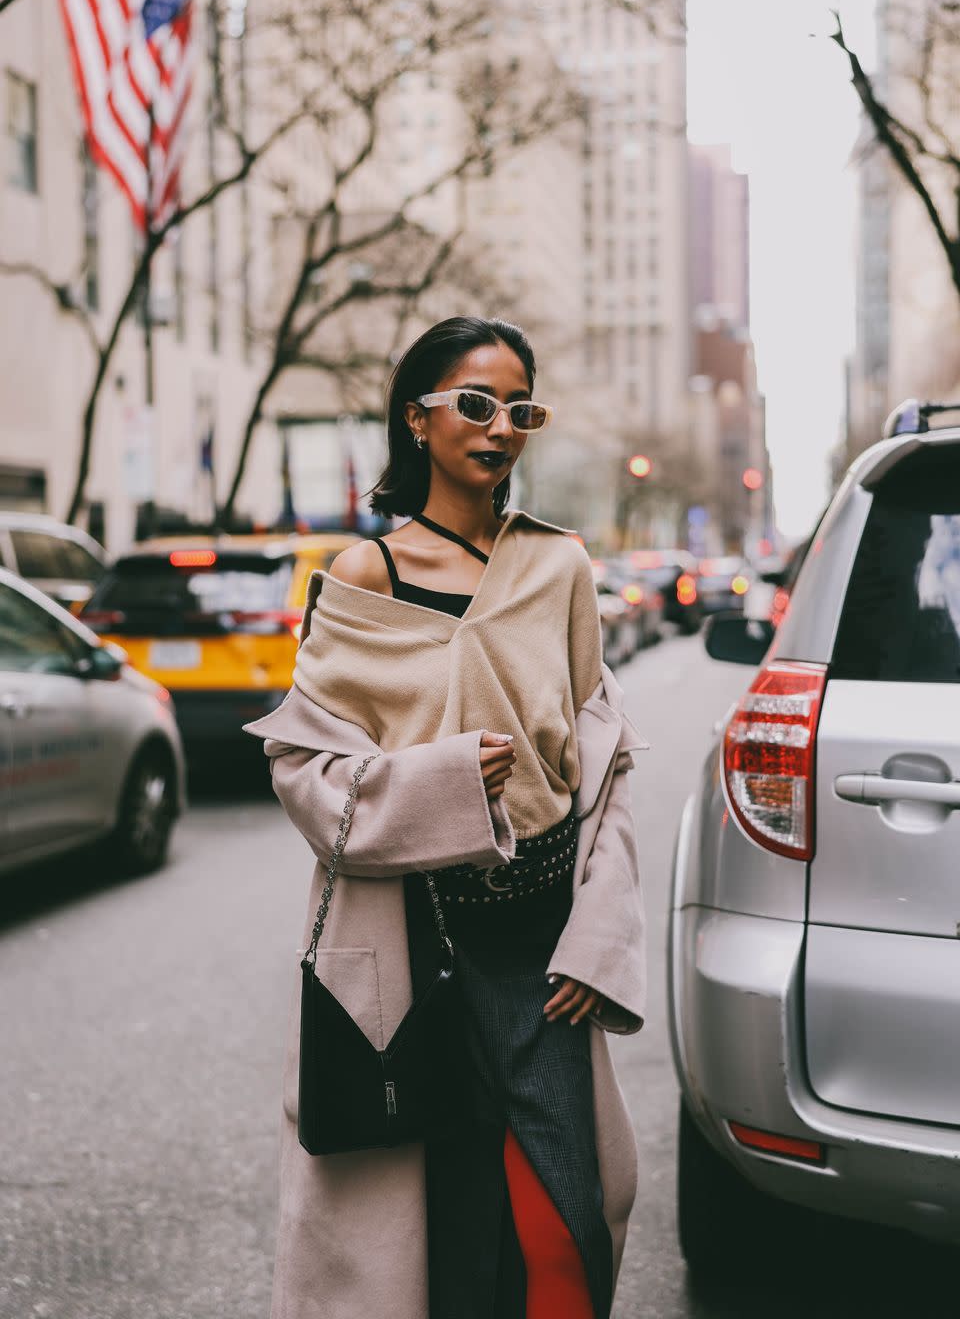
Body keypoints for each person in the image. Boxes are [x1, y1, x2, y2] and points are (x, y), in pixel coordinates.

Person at [244, 316, 647, 1319]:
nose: (499, 426)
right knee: (439, 1231)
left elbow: (606, 755)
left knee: (564, 1226)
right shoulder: (361, 576)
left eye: (520, 408)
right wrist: (443, 782)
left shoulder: (559, 567)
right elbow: (304, 768)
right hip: (414, 938)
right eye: (475, 403)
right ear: (417, 419)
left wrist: (599, 938)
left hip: (544, 948)